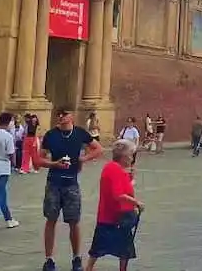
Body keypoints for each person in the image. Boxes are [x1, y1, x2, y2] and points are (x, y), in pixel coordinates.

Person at [39, 108, 104, 271]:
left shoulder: (80, 133)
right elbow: (39, 159)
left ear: (72, 117)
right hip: (53, 183)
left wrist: (84, 158)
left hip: (71, 184)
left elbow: (98, 149)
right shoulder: (51, 135)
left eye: (64, 114)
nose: (61, 117)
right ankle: (49, 259)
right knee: (50, 221)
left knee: (74, 222)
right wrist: (54, 164)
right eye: (59, 115)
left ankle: (76, 257)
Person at [86, 140, 144, 271]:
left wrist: (130, 178)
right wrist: (137, 203)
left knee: (124, 248)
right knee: (100, 247)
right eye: (131, 155)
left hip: (120, 216)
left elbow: (125, 188)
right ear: (123, 156)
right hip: (112, 216)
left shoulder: (118, 169)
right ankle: (89, 268)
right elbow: (118, 195)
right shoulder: (113, 169)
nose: (132, 158)